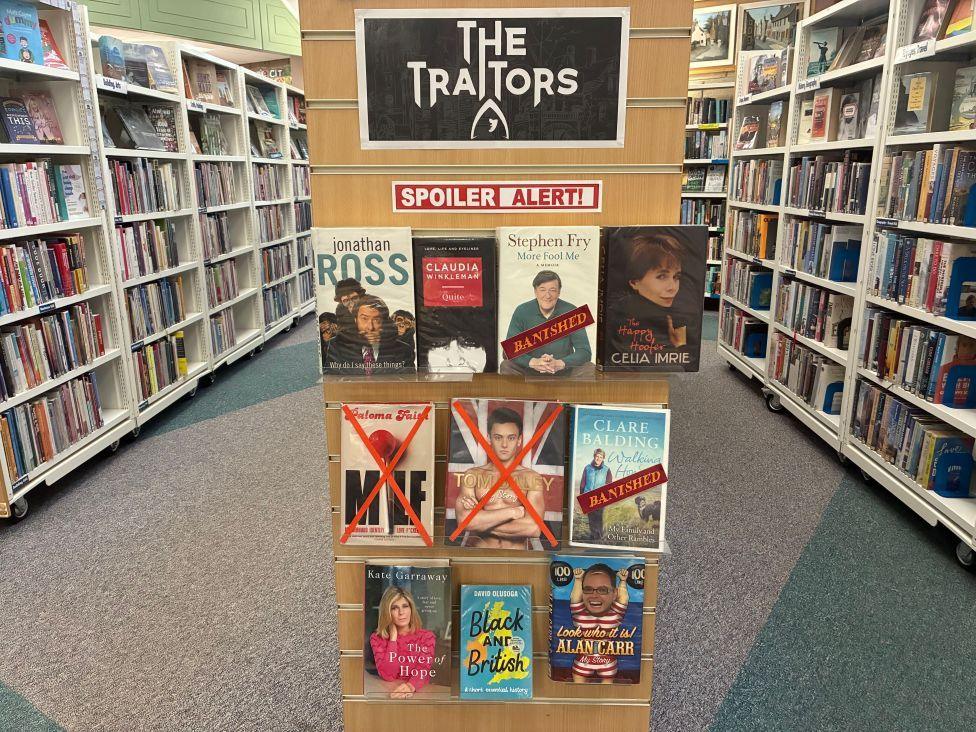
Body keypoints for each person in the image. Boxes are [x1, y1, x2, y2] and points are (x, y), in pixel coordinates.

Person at [453, 406, 549, 549]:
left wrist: (480, 520)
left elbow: (534, 528)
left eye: (511, 438)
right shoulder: (472, 475)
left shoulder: (531, 478)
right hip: (478, 555)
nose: (504, 445)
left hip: (516, 559)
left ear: (519, 440)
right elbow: (464, 522)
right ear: (488, 438)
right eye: (498, 437)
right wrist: (513, 512)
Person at [606, 233, 694, 370]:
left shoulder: (677, 317)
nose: (673, 287)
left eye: (676, 277)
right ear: (635, 281)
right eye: (662, 276)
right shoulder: (616, 316)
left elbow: (685, 361)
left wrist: (679, 345)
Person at [500, 270, 594, 377]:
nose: (547, 295)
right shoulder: (522, 311)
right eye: (542, 290)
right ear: (535, 291)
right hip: (530, 370)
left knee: (589, 368)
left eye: (552, 290)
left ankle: (568, 392)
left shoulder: (572, 311)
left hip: (563, 370)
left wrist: (560, 363)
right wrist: (533, 362)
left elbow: (584, 352)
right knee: (506, 365)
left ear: (559, 292)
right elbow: (509, 351)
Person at [368, 586, 437, 699]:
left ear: (411, 609)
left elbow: (423, 669)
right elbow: (388, 676)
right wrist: (393, 639)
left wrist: (411, 686)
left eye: (405, 606)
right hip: (388, 693)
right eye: (394, 608)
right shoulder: (376, 639)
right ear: (387, 612)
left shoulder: (427, 637)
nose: (401, 612)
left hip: (419, 695)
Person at [568, 564, 629, 684]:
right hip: (583, 659)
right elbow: (575, 598)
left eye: (602, 590)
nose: (594, 595)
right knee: (578, 691)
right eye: (588, 589)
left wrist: (622, 582)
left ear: (614, 594)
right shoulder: (580, 614)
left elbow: (623, 599)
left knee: (607, 694)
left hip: (607, 660)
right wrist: (578, 579)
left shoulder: (614, 614)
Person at [324, 295, 415, 374]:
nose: (370, 327)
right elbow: (331, 379)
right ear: (355, 320)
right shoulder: (336, 345)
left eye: (376, 320)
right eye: (364, 319)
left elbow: (407, 382)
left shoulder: (403, 350)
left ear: (384, 322)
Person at [578, 449, 612, 540]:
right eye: (597, 456)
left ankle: (599, 536)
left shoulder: (607, 470)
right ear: (594, 456)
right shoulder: (587, 468)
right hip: (588, 496)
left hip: (600, 497)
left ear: (603, 458)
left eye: (601, 457)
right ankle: (593, 536)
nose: (598, 458)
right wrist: (582, 496)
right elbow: (583, 483)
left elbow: (609, 485)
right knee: (591, 517)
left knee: (599, 517)